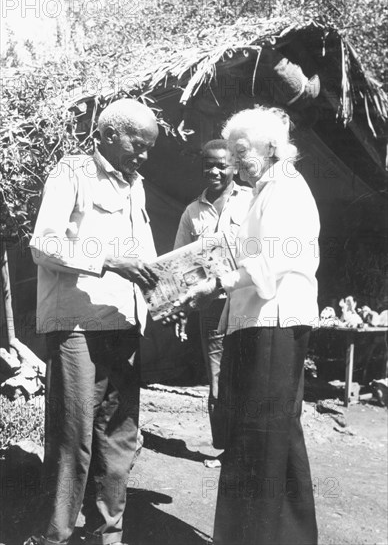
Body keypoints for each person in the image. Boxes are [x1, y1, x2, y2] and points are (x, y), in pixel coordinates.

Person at [179, 107, 319, 545]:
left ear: (272, 146)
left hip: (273, 324)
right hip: (253, 324)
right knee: (265, 436)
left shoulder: (287, 189)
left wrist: (217, 282)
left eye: (242, 151)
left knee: (264, 438)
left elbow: (272, 262)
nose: (236, 162)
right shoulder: (264, 192)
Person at [25, 99, 159, 545]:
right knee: (73, 436)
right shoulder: (72, 172)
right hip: (78, 325)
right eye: (136, 145)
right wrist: (106, 260)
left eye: (148, 149)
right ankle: (54, 535)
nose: (142, 156)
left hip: (123, 323)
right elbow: (43, 244)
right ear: (106, 135)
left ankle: (107, 534)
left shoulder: (136, 186)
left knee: (119, 437)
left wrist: (174, 286)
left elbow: (145, 261)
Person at [174, 139, 252, 461]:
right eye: (210, 165)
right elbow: (180, 266)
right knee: (218, 377)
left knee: (249, 371)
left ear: (235, 166)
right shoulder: (192, 213)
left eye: (223, 165)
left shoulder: (252, 200)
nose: (216, 171)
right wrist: (181, 307)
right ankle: (225, 448)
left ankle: (248, 448)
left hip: (249, 301)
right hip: (212, 305)